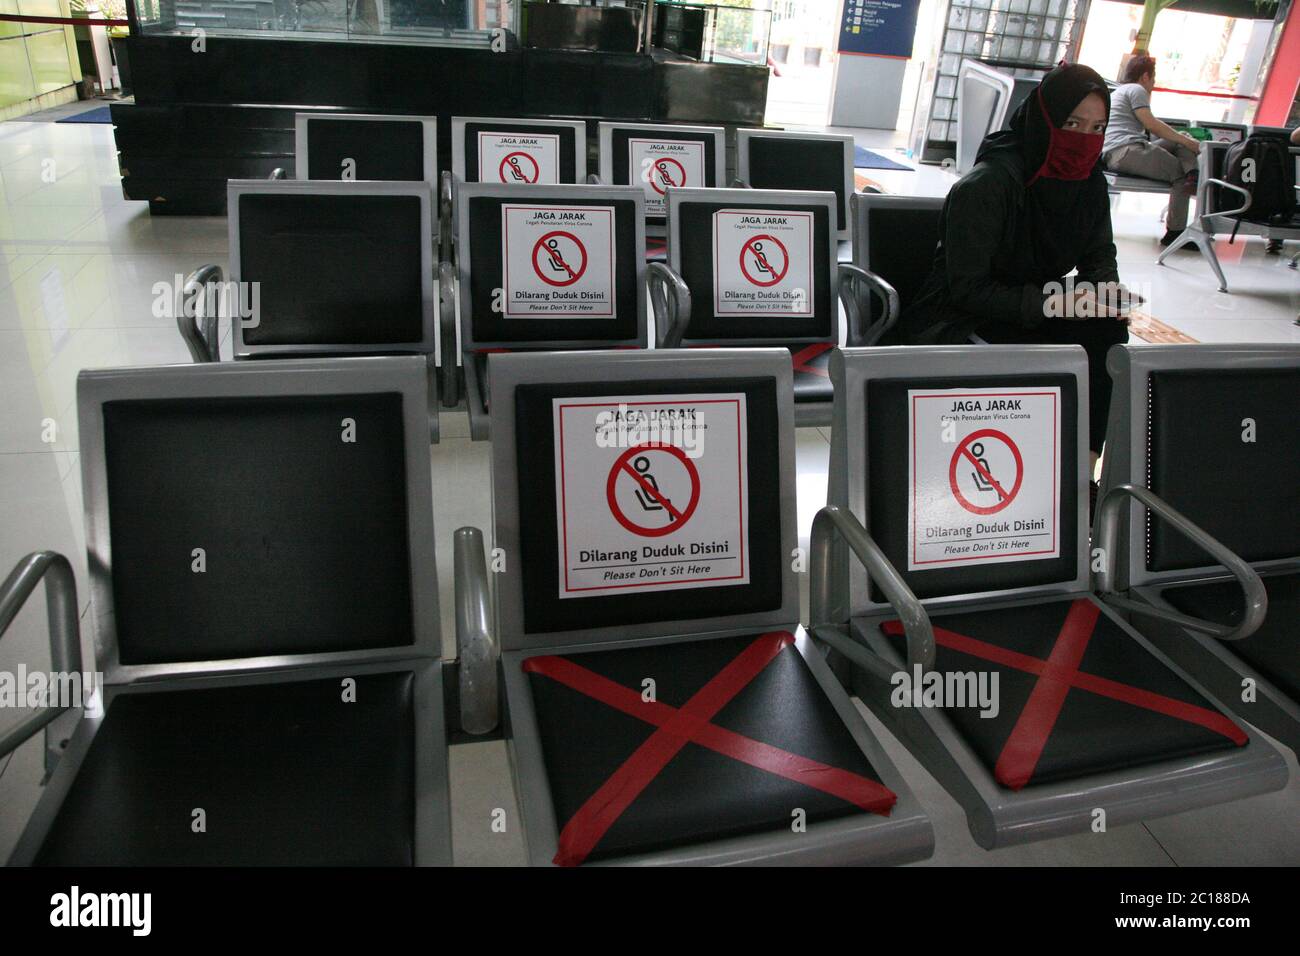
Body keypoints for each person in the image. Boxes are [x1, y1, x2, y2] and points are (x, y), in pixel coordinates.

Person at [899, 62, 1132, 493]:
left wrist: (1105, 293)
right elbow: (967, 289)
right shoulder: (988, 184)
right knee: (1062, 355)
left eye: (1097, 127)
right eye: (1071, 123)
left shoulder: (1089, 183)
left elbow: (1100, 252)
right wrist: (1053, 302)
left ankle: (1080, 475)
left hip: (1028, 304)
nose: (1083, 140)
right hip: (958, 317)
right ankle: (1022, 471)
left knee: (1106, 331)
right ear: (1045, 119)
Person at [1103, 55, 1201, 246]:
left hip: (1117, 152)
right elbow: (1151, 124)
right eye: (1154, 79)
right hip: (1127, 151)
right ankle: (1175, 232)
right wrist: (1189, 144)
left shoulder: (1118, 92)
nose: (1154, 84)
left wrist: (1182, 139)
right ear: (1145, 76)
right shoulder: (1137, 89)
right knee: (1180, 174)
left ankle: (1193, 174)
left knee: (1180, 138)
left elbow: (1155, 129)